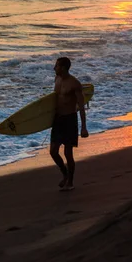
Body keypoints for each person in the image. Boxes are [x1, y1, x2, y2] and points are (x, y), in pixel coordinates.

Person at [50, 57, 88, 191]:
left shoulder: (74, 83)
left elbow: (81, 107)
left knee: (68, 153)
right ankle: (65, 174)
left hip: (69, 120)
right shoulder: (57, 79)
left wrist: (84, 127)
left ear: (64, 68)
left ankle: (70, 182)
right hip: (58, 120)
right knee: (53, 151)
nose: (54, 68)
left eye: (57, 66)